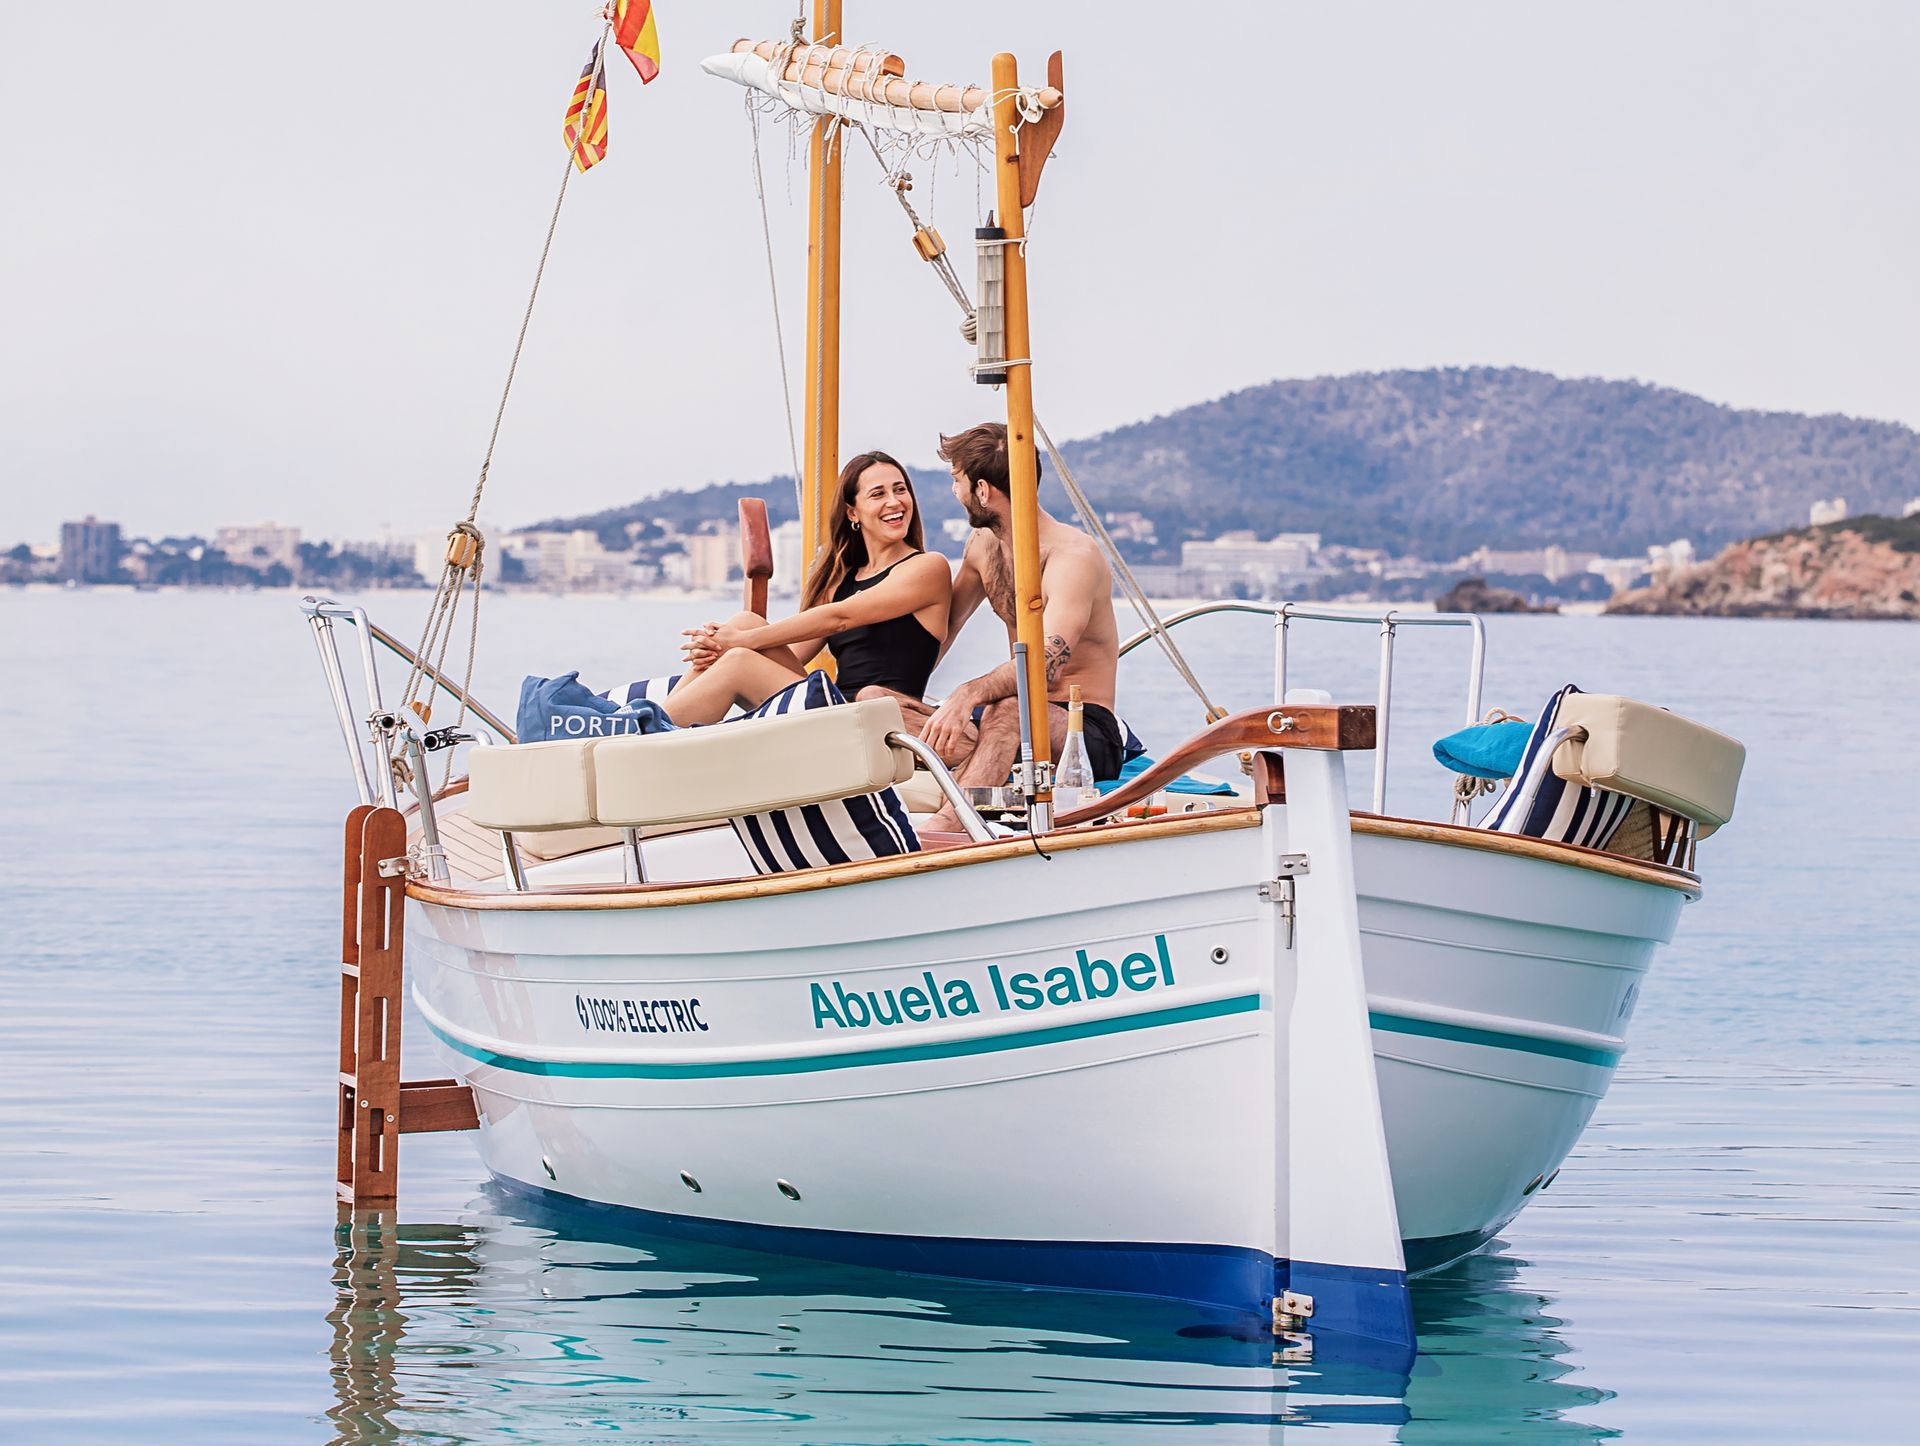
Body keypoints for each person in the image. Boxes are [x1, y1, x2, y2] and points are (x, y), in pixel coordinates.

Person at [918, 422, 1121, 831]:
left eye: (956, 481)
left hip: (1082, 727)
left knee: (1009, 710)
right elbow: (943, 631)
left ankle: (942, 832)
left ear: (981, 490)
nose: (953, 493)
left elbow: (1046, 666)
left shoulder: (1072, 557)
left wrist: (967, 693)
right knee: (885, 704)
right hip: (1010, 717)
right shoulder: (983, 547)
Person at [665, 451, 951, 726]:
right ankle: (653, 719)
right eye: (878, 494)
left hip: (870, 722)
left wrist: (740, 642)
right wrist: (719, 646)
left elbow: (841, 618)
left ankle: (651, 730)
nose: (894, 502)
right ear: (853, 513)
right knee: (745, 622)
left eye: (900, 490)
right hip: (836, 709)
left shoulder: (928, 567)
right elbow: (793, 653)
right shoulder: (842, 579)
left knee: (740, 654)